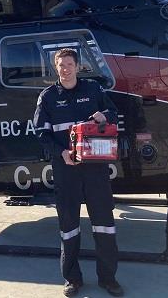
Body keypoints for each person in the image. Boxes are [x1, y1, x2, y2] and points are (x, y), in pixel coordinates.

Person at [33, 48, 124, 297]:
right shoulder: (48, 97)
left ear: (77, 66)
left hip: (96, 168)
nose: (65, 69)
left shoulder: (93, 90)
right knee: (69, 226)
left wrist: (102, 117)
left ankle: (108, 279)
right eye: (61, 65)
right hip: (66, 170)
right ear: (56, 68)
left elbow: (114, 114)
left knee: (104, 224)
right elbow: (41, 132)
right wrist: (61, 152)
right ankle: (72, 279)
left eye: (69, 64)